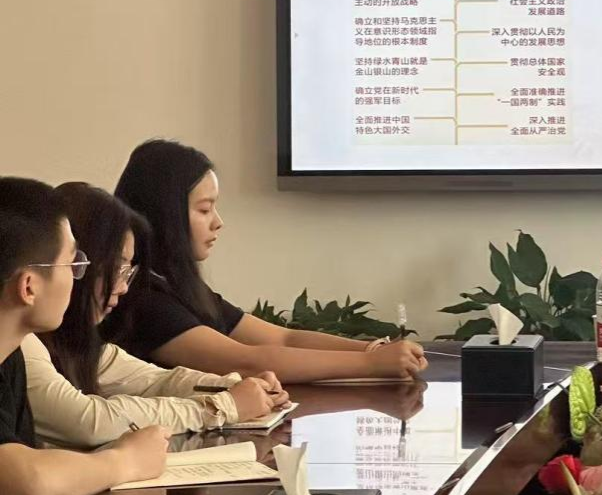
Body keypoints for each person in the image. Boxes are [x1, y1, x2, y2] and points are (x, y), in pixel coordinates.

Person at [102, 140, 426, 382]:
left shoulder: (172, 283)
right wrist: (371, 364)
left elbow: (283, 338)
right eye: (204, 209)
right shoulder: (141, 297)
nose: (218, 222)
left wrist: (371, 350)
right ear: (165, 214)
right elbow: (246, 361)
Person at [23, 183, 287, 449]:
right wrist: (221, 407)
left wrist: (234, 388)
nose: (124, 287)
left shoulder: (74, 340)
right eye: (117, 269)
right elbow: (87, 422)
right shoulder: (19, 340)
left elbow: (157, 381)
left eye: (128, 272)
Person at [0, 177, 168, 495]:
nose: (78, 278)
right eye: (73, 264)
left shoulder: (10, 359)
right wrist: (127, 460)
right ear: (29, 287)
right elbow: (27, 481)